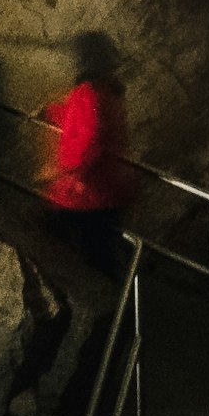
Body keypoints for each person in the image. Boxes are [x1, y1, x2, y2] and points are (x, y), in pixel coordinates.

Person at [43, 30, 138, 273]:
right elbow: (85, 122)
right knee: (101, 251)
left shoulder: (89, 92)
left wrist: (61, 169)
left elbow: (89, 139)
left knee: (88, 256)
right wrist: (54, 110)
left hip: (87, 192)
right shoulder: (108, 91)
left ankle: (112, 303)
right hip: (106, 188)